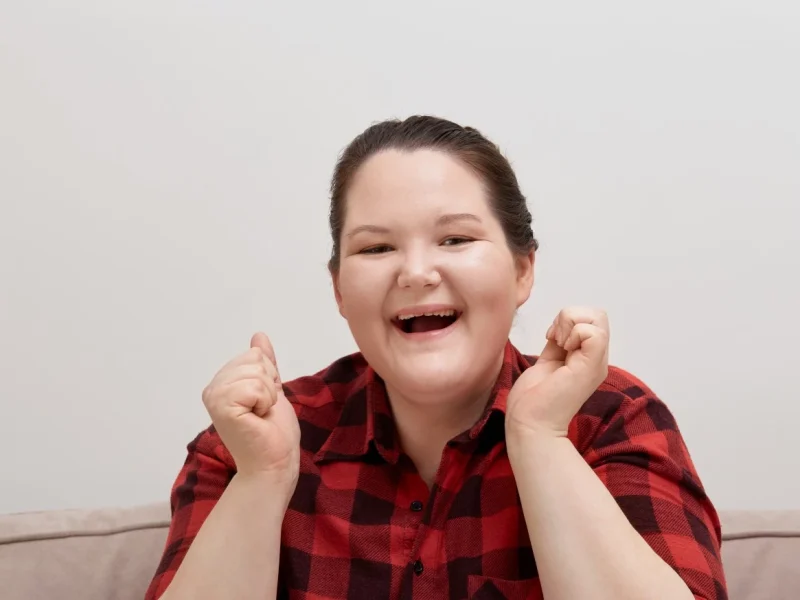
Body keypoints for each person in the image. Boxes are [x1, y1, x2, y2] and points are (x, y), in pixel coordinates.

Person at [145, 116, 727, 600]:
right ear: (340, 291)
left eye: (455, 239)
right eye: (376, 247)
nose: (417, 272)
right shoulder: (245, 442)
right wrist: (263, 478)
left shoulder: (610, 418)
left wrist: (540, 438)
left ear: (523, 269)